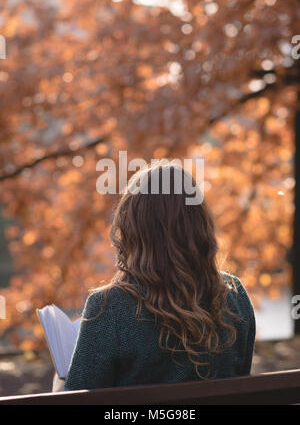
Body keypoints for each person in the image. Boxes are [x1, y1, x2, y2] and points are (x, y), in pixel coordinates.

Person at [62, 162, 255, 391]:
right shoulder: (234, 295)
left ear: (131, 227)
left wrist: (60, 381)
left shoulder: (109, 308)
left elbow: (77, 397)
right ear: (200, 225)